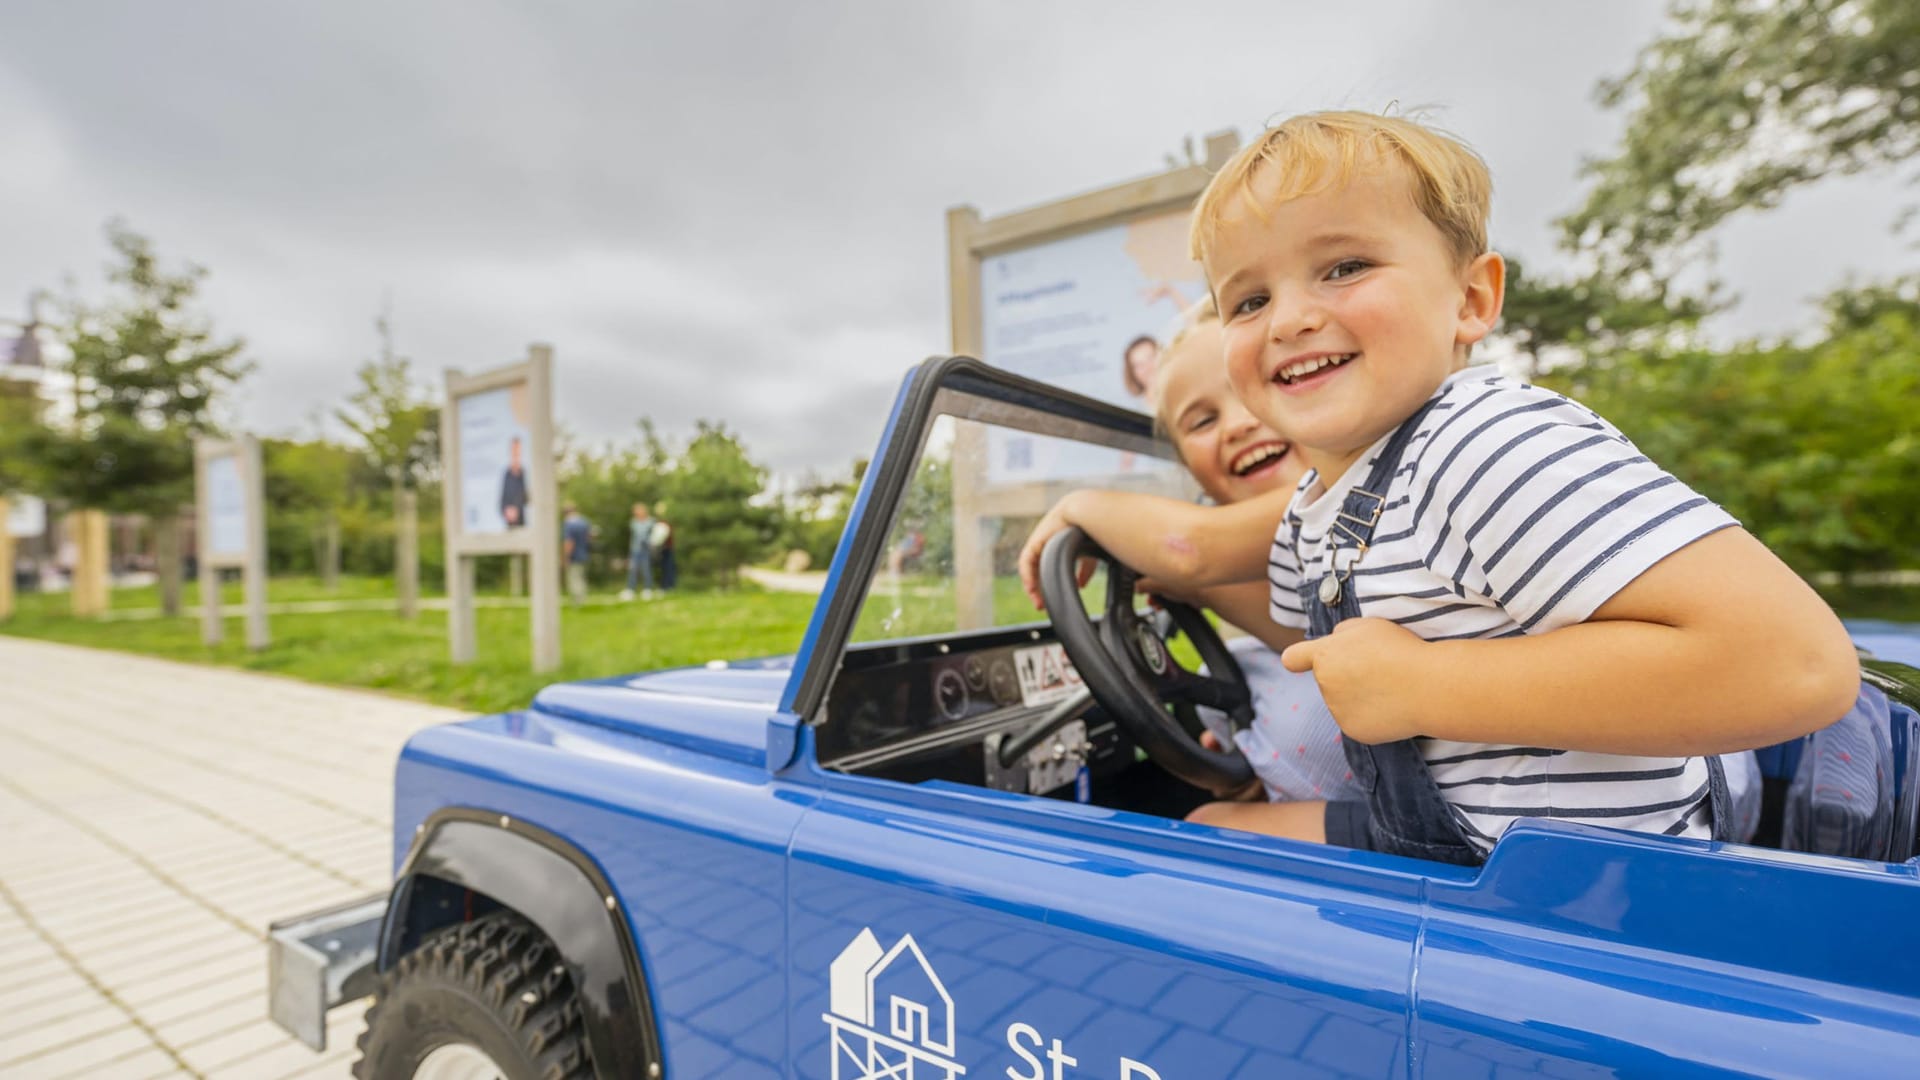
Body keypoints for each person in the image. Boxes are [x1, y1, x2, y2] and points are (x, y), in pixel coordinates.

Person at [1019, 110, 1855, 862]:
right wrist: (1171, 584)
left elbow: (1799, 665)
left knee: (1200, 849)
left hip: (1582, 883)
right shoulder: (1333, 495)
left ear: (1471, 296)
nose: (1289, 318)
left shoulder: (1477, 441)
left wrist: (1423, 689)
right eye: (1247, 300)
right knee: (1213, 827)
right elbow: (1296, 624)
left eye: (1344, 266)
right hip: (1489, 843)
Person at [1147, 297, 1365, 811]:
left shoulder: (1358, 507)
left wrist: (1078, 510)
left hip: (1456, 847)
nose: (1237, 425)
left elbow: (1191, 550)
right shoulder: (1240, 659)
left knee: (1209, 828)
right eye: (1201, 422)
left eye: (1256, 392)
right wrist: (1251, 769)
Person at [621, 502, 655, 601]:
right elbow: (635, 537)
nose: (636, 512)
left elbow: (652, 536)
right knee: (633, 570)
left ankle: (647, 589)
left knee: (646, 569)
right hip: (635, 549)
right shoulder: (633, 522)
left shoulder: (651, 522)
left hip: (646, 549)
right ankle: (630, 589)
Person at [562, 503, 591, 605]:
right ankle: (583, 598)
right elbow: (589, 537)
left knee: (574, 578)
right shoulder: (584, 521)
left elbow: (569, 542)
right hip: (584, 553)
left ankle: (578, 602)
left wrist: (566, 556)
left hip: (574, 555)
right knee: (581, 577)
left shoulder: (569, 524)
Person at [499, 438, 529, 529]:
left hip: (522, 524)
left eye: (518, 451)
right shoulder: (506, 474)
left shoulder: (524, 474)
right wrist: (507, 511)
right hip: (509, 526)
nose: (515, 454)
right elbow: (502, 500)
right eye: (514, 451)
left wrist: (516, 509)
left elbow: (526, 498)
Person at [651, 513, 677, 592]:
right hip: (664, 549)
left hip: (666, 549)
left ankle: (667, 586)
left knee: (667, 568)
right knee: (667, 568)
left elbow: (658, 539)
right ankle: (667, 586)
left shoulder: (663, 525)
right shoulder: (662, 524)